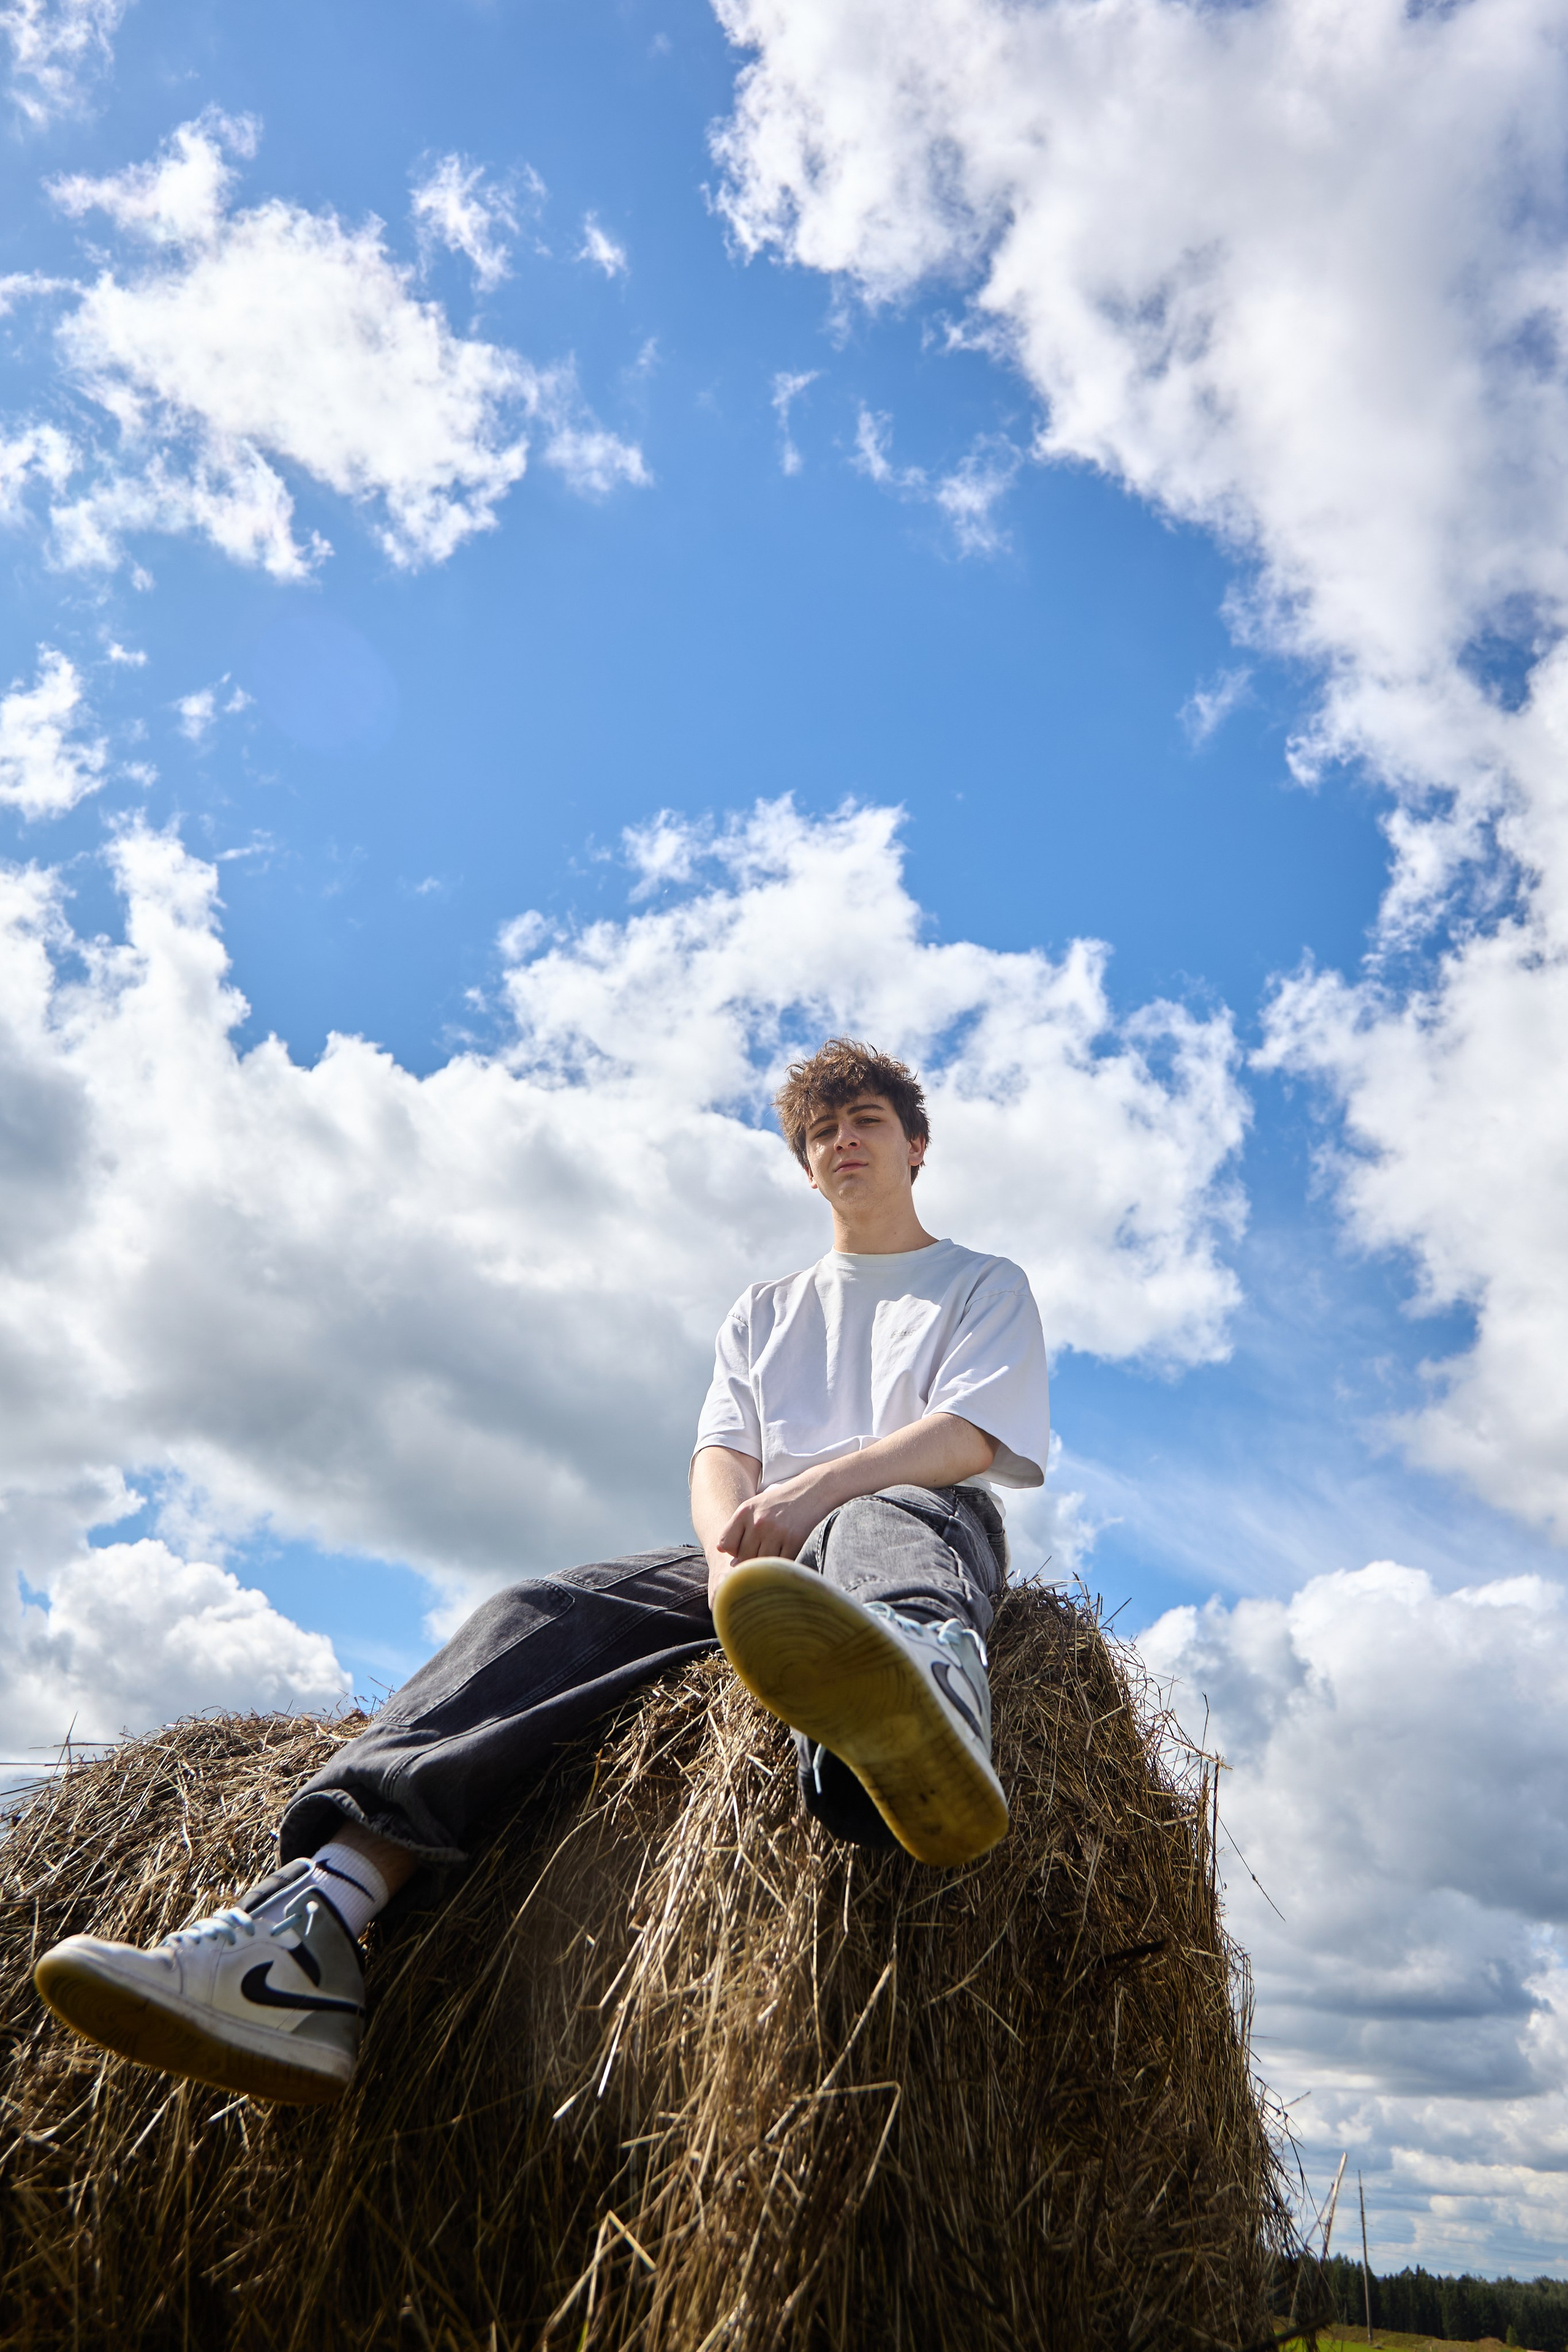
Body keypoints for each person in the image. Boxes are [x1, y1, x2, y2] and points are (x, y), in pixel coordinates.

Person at [34, 1039, 1050, 2108]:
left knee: (882, 1513)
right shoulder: (764, 1310)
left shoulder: (979, 1282)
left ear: (916, 1145)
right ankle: (308, 1929)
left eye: (868, 1122)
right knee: (537, 1612)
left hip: (904, 1528)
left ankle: (925, 1694)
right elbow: (721, 1459)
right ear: (805, 1167)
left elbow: (966, 1436)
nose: (844, 1140)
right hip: (765, 1571)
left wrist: (811, 1497)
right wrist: (723, 1564)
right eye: (823, 1131)